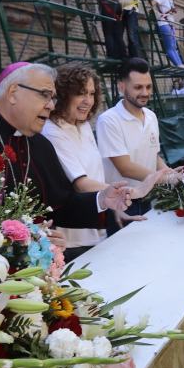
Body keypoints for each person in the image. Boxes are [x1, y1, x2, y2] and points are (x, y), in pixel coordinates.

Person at [0, 62, 130, 231]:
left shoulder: (41, 145)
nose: (52, 105)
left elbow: (61, 206)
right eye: (45, 95)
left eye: (53, 98)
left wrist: (101, 199)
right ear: (13, 93)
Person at [94, 58, 174, 227]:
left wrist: (168, 172)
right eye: (138, 87)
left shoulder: (151, 116)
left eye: (148, 86)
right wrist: (165, 179)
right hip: (122, 202)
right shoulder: (109, 120)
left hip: (148, 197)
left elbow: (154, 155)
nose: (145, 92)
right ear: (122, 86)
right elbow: (124, 166)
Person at [41, 64, 111, 253]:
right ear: (63, 95)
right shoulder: (52, 131)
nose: (87, 101)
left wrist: (114, 207)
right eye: (80, 93)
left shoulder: (84, 125)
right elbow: (81, 183)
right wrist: (127, 191)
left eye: (91, 93)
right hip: (73, 238)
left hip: (97, 226)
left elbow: (95, 173)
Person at [151, 0, 184, 67]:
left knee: (173, 47)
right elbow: (152, 3)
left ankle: (180, 64)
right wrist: (158, 14)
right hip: (163, 23)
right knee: (169, 47)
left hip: (169, 24)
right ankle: (178, 64)